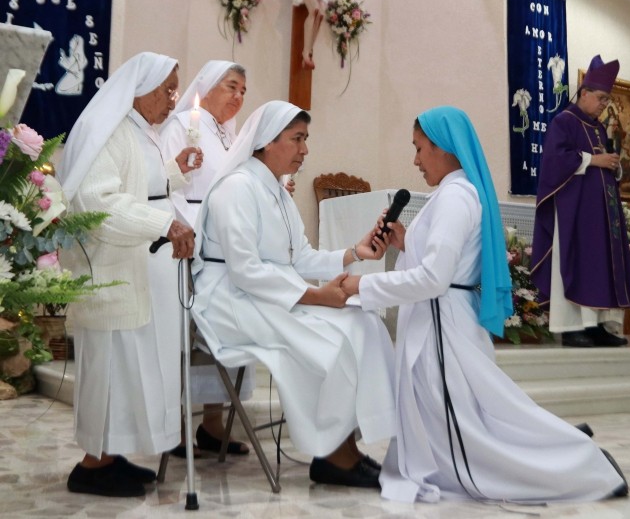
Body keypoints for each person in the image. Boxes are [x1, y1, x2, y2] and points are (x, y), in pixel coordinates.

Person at [341, 106, 626, 504]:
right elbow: (441, 263)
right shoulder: (450, 193)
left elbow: (434, 278)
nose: (416, 159)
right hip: (440, 319)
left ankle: (581, 467)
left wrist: (361, 286)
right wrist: (406, 243)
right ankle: (568, 455)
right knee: (469, 419)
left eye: (420, 149)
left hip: (441, 326)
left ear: (444, 148)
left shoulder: (456, 197)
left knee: (468, 434)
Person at [190, 100, 395, 488]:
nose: (305, 149)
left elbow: (298, 257)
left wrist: (354, 252)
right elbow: (246, 271)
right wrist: (317, 298)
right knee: (330, 342)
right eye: (297, 139)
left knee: (361, 323)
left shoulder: (278, 193)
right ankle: (333, 454)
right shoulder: (237, 188)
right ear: (268, 141)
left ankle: (343, 447)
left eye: (305, 139)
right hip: (228, 301)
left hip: (267, 294)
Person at [59, 52, 199, 497]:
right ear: (139, 88)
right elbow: (96, 204)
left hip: (145, 273)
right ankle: (92, 466)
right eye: (167, 89)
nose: (173, 99)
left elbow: (146, 186)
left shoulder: (143, 133)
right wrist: (164, 224)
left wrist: (176, 172)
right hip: (115, 273)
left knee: (133, 369)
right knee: (113, 368)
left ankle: (112, 454)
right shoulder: (109, 133)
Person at [160, 60, 253, 457]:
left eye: (244, 91)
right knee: (187, 335)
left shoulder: (232, 137)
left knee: (223, 332)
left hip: (226, 247)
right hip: (192, 241)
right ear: (209, 87)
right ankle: (178, 427)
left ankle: (213, 423)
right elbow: (168, 184)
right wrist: (194, 227)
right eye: (231, 86)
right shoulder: (182, 127)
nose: (238, 97)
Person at [530, 55, 630, 348]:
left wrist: (613, 165)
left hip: (601, 213)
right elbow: (554, 161)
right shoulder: (564, 122)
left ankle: (597, 325)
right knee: (577, 262)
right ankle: (572, 326)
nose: (604, 104)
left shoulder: (599, 128)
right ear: (585, 92)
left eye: (608, 99)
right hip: (574, 211)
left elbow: (603, 166)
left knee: (599, 265)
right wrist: (593, 159)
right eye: (601, 98)